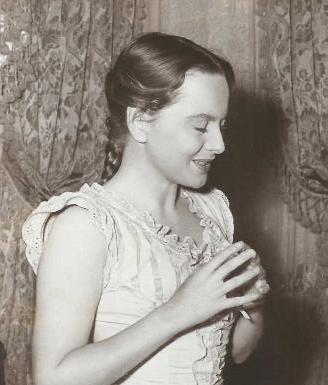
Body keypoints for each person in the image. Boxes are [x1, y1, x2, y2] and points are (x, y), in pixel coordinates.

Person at [22, 32, 268, 385]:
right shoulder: (87, 226)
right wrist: (177, 312)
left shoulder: (212, 212)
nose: (219, 144)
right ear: (140, 122)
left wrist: (254, 305)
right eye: (201, 126)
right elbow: (53, 379)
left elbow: (236, 352)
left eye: (222, 125)